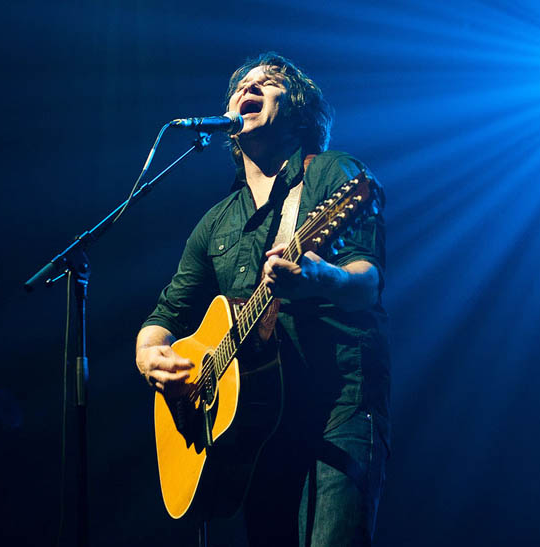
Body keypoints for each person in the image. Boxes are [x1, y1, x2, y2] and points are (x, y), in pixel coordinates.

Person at [134, 52, 389, 546]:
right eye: (241, 85)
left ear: (298, 110)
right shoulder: (216, 222)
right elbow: (165, 316)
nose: (248, 88)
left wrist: (322, 278)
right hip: (256, 426)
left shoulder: (335, 174)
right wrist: (149, 355)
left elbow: (368, 282)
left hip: (335, 407)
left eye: (268, 83)